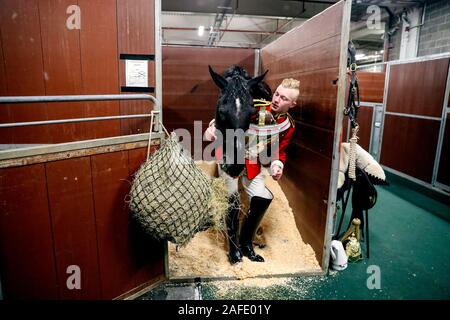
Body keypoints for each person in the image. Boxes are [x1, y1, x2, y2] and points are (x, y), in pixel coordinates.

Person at [205, 78, 300, 264]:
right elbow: (227, 116)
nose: (277, 99)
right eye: (277, 94)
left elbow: (280, 150)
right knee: (231, 198)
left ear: (293, 104)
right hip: (230, 157)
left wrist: (277, 165)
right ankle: (233, 247)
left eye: (284, 98)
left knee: (262, 197)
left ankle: (246, 243)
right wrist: (212, 128)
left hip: (253, 163)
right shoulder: (254, 107)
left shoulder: (288, 124)